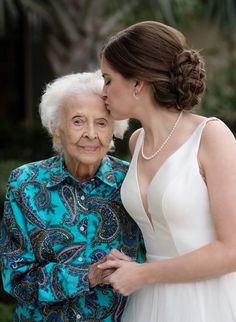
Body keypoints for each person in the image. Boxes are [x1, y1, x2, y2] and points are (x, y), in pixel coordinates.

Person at [98, 21, 236, 321]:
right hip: (148, 302)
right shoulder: (137, 142)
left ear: (137, 83)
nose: (103, 92)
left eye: (108, 80)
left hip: (208, 301)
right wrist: (128, 264)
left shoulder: (212, 136)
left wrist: (144, 274)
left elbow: (232, 250)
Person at [0, 71, 145, 322]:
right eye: (78, 121)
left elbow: (153, 259)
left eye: (101, 123)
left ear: (113, 131)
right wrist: (88, 276)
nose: (90, 133)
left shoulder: (133, 183)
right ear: (57, 130)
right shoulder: (25, 184)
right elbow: (16, 279)